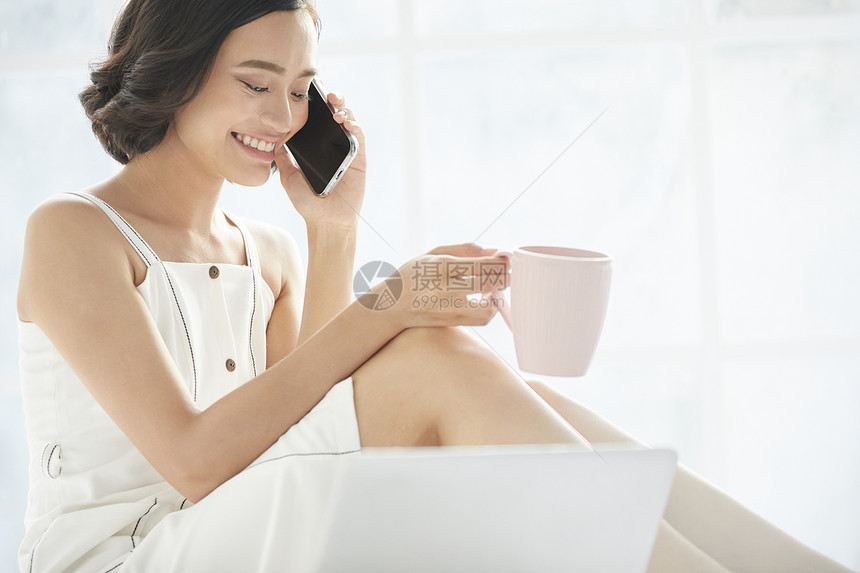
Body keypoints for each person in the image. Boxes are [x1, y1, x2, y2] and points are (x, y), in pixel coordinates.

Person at [14, 1, 853, 572]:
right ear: (179, 70)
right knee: (428, 353)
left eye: (301, 91)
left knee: (442, 352)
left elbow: (299, 433)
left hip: (224, 524)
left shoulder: (264, 250)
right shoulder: (74, 232)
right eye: (256, 82)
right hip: (127, 553)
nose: (282, 117)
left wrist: (333, 231)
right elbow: (196, 461)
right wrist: (392, 305)